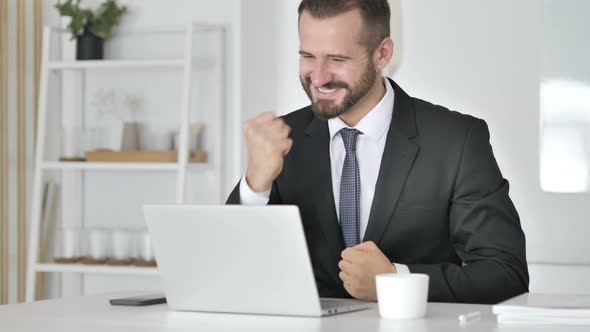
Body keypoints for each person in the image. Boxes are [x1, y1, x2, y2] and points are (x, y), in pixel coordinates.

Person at [227, 0, 528, 304]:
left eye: (337, 58)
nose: (318, 78)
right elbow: (228, 267)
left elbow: (505, 274)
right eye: (307, 56)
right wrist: (255, 185)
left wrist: (395, 280)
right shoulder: (281, 137)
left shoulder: (456, 141)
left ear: (382, 53)